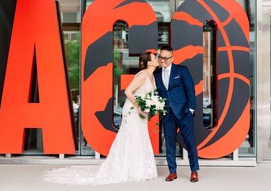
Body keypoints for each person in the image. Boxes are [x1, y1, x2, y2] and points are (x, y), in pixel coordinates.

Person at [44, 51, 159, 185]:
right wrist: (139, 106)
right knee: (132, 136)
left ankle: (142, 169)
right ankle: (130, 170)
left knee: (141, 136)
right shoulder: (142, 75)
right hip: (133, 111)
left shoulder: (152, 76)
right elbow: (128, 91)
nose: (157, 59)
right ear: (149, 62)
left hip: (142, 112)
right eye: (154, 57)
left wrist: (151, 108)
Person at [154, 46, 199, 182]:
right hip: (167, 115)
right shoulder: (156, 74)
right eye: (161, 57)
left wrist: (190, 109)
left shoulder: (182, 70)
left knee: (190, 143)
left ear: (172, 58)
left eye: (166, 58)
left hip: (184, 113)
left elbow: (190, 89)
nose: (163, 60)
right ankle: (172, 171)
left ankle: (194, 171)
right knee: (169, 144)